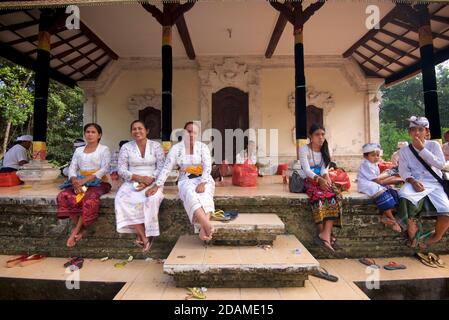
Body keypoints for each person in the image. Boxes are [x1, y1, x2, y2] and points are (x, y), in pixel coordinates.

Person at [147, 121, 215, 241]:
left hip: (203, 178)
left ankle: (204, 228)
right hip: (186, 179)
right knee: (190, 193)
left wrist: (203, 183)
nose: (191, 134)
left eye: (194, 132)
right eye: (188, 131)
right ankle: (207, 225)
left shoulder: (203, 147)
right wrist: (157, 185)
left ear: (197, 134)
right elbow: (167, 168)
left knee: (206, 193)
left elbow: (208, 166)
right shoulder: (176, 148)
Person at [397, 116, 449, 248]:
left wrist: (422, 150)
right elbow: (403, 171)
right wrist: (412, 181)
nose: (417, 133)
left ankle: (436, 237)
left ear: (426, 132)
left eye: (420, 129)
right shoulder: (404, 151)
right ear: (409, 132)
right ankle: (413, 236)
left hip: (434, 184)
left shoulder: (433, 145)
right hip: (415, 182)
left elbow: (441, 164)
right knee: (404, 195)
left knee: (447, 210)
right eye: (413, 130)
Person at [57, 123, 111, 247]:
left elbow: (104, 169)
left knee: (87, 198)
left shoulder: (104, 149)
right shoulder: (79, 150)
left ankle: (75, 231)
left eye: (93, 132)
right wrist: (75, 181)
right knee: (64, 195)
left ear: (99, 135)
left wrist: (85, 181)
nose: (90, 134)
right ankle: (82, 229)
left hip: (98, 182)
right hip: (79, 181)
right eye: (87, 132)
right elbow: (72, 168)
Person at [114, 121, 165, 252]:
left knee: (151, 199)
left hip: (154, 181)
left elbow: (161, 167)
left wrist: (149, 180)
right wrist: (139, 178)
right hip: (132, 180)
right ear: (131, 132)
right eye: (134, 129)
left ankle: (148, 232)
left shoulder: (156, 146)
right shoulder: (126, 147)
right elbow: (121, 169)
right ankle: (143, 235)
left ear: (147, 130)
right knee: (122, 199)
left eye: (140, 128)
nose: (137, 131)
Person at [299, 123, 342, 253]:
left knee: (332, 196)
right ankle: (324, 234)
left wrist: (325, 178)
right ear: (310, 136)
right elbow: (306, 170)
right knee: (318, 196)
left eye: (323, 134)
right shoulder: (304, 150)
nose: (321, 137)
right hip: (309, 180)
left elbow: (324, 169)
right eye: (317, 135)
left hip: (321, 179)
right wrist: (319, 179)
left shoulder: (326, 149)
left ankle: (325, 235)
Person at [357, 143, 403, 232]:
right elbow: (377, 180)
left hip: (373, 182)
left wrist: (391, 179)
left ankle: (385, 216)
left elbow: (378, 179)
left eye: (377, 155)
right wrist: (393, 179)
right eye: (373, 155)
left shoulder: (374, 164)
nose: (376, 157)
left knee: (392, 192)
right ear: (365, 156)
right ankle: (393, 220)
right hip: (366, 184)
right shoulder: (366, 165)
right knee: (382, 194)